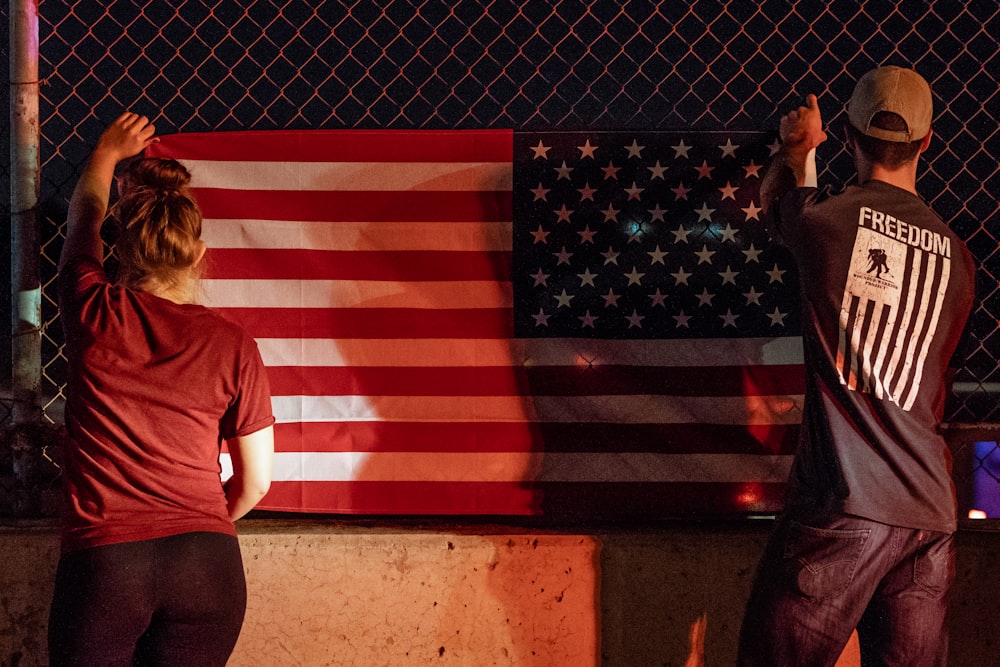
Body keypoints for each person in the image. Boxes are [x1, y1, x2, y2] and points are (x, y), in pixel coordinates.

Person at [737, 67, 976, 665]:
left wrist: (799, 151)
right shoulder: (961, 260)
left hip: (843, 506)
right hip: (930, 514)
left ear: (849, 136)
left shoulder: (827, 223)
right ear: (926, 143)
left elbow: (783, 203)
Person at [48, 112, 275, 666]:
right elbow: (256, 484)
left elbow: (83, 219)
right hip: (208, 564)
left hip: (107, 563)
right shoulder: (234, 344)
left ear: (121, 252)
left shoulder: (95, 310)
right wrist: (196, 518)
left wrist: (106, 153)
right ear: (198, 254)